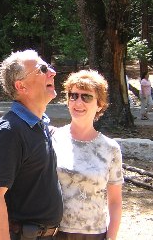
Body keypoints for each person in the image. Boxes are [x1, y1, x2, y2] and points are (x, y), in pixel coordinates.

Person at [0, 49, 63, 240]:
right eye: (42, 69)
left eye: (49, 67)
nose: (52, 72)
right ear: (21, 86)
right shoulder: (9, 131)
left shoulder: (39, 124)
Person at [51, 70, 123, 240]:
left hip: (94, 233)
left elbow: (115, 201)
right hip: (53, 232)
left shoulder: (111, 148)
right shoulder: (52, 138)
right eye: (73, 96)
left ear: (99, 104)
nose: (78, 102)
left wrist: (111, 237)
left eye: (86, 97)